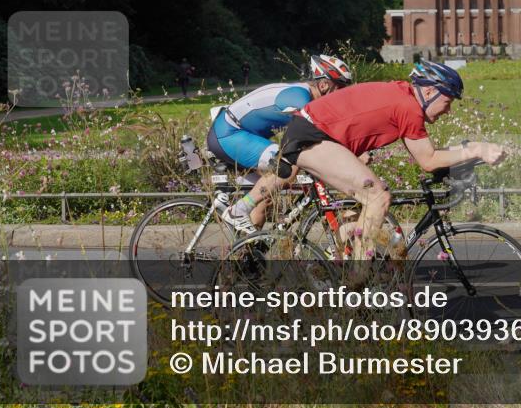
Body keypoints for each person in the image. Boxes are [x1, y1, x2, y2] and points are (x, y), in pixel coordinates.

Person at [277, 60, 505, 260]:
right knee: (378, 197)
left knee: (364, 215)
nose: (449, 111)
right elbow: (429, 160)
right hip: (311, 136)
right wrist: (476, 149)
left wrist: (467, 153)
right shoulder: (408, 107)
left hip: (315, 134)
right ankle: (359, 281)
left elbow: (428, 154)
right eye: (448, 101)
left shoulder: (404, 99)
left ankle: (337, 267)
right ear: (428, 93)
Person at [211, 54, 353, 234]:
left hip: (239, 135)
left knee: (266, 197)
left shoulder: (305, 95)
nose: (342, 96)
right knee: (287, 167)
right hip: (228, 135)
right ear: (324, 85)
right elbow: (316, 136)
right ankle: (237, 211)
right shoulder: (300, 98)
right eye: (340, 88)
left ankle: (248, 255)